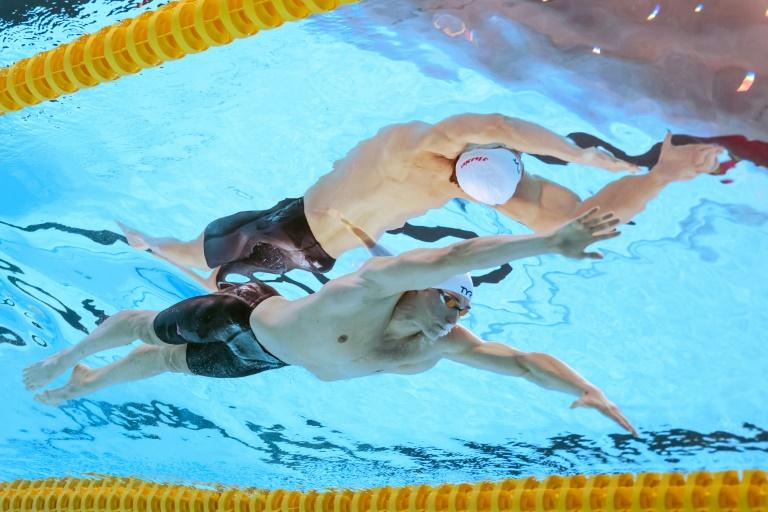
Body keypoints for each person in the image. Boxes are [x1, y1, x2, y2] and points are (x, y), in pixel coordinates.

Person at [25, 208, 637, 435]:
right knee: (142, 327)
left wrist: (586, 389)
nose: (456, 317)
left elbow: (525, 363)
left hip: (264, 359)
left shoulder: (440, 345)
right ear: (421, 288)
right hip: (244, 315)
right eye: (451, 302)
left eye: (464, 309)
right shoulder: (365, 290)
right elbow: (455, 255)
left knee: (162, 364)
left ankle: (83, 384)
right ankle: (62, 358)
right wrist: (550, 244)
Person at [117, 118, 723, 290]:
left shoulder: (470, 179)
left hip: (312, 252)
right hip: (270, 233)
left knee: (206, 275)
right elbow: (504, 122)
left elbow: (580, 221)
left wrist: (662, 174)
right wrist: (582, 155)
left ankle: (151, 242)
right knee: (190, 258)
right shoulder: (414, 142)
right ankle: (142, 238)